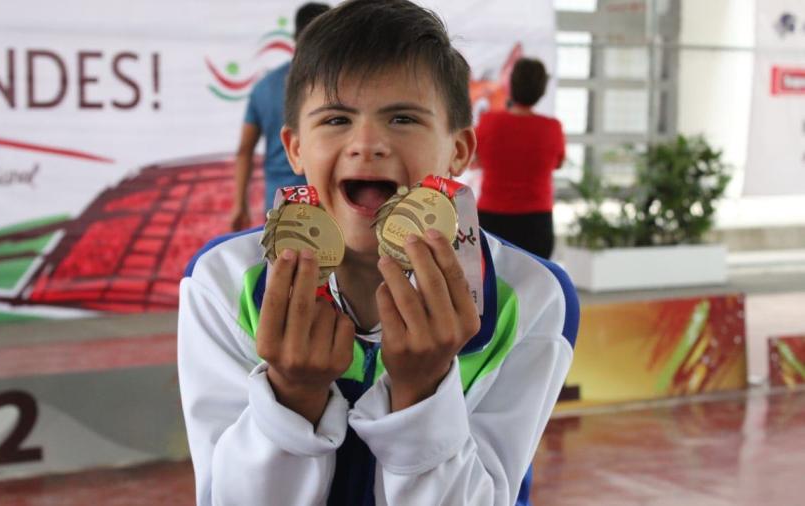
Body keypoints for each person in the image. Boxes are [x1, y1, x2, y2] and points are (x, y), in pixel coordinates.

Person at [179, 1, 578, 505]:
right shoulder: (225, 283)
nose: (367, 144)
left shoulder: (529, 296)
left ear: (458, 151)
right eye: (337, 119)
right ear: (295, 148)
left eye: (404, 118)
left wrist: (424, 391)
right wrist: (291, 396)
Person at [230, 2, 331, 231]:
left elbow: (244, 150)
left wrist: (240, 204)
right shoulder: (343, 85)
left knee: (281, 266)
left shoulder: (264, 87)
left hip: (280, 204)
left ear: (295, 36)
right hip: (328, 202)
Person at [475, 58, 565, 259]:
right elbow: (558, 162)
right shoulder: (552, 128)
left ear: (511, 86)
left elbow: (475, 160)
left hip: (491, 218)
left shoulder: (488, 123)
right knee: (536, 284)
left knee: (490, 283)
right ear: (542, 90)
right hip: (536, 221)